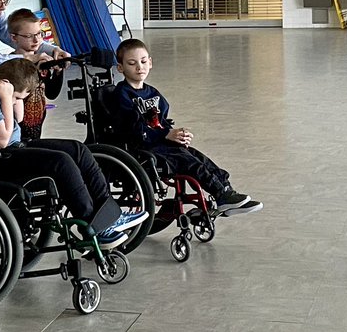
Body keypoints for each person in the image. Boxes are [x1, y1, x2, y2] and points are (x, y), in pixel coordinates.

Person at [0, 59, 147, 247]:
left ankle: (111, 214)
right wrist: (5, 98)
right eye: (18, 97)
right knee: (61, 162)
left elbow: (18, 118)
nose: (17, 101)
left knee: (77, 150)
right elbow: (2, 140)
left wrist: (13, 97)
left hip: (13, 148)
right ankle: (93, 224)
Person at [110, 39, 261, 215]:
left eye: (143, 61)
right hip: (142, 147)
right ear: (120, 67)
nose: (139, 67)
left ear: (150, 62)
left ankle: (226, 190)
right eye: (132, 63)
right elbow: (134, 130)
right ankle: (220, 195)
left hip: (160, 142)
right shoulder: (122, 95)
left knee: (198, 157)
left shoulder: (153, 93)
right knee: (188, 162)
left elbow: (162, 122)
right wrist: (166, 134)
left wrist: (178, 135)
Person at [5, 8, 63, 141]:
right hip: (16, 126)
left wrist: (59, 72)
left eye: (39, 34)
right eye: (29, 36)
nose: (36, 40)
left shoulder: (43, 61)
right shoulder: (10, 64)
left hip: (38, 120)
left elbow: (52, 93)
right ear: (14, 37)